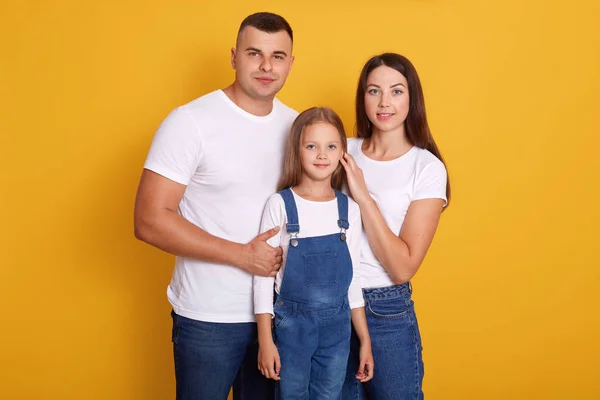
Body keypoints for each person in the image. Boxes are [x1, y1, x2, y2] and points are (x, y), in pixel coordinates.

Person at [133, 12, 298, 400]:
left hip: (277, 317)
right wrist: (243, 256)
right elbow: (149, 220)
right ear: (234, 56)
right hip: (207, 317)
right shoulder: (190, 122)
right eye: (254, 53)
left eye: (277, 56)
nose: (265, 66)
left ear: (291, 63)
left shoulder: (298, 128)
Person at [341, 53, 451, 400]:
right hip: (330, 304)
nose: (384, 102)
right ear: (363, 98)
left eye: (396, 91)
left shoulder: (426, 168)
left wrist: (361, 194)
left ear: (411, 98)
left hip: (384, 309)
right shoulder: (341, 150)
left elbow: (403, 267)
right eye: (374, 91)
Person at [253, 107, 374, 399]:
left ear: (343, 153)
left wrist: (365, 339)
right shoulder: (280, 204)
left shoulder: (350, 209)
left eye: (331, 146)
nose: (322, 155)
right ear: (298, 149)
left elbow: (353, 279)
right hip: (292, 327)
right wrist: (265, 339)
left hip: (338, 329)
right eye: (312, 146)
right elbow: (263, 278)